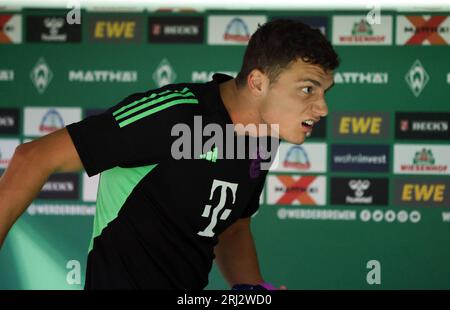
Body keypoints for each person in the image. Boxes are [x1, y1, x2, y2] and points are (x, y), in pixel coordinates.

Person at [0, 19, 339, 289]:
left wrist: (252, 292)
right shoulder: (176, 113)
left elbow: (232, 226)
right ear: (258, 82)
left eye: (325, 92)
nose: (322, 107)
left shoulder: (266, 137)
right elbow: (34, 157)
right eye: (307, 89)